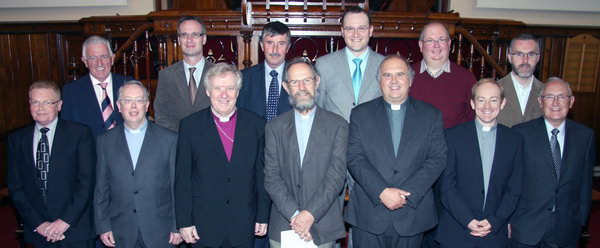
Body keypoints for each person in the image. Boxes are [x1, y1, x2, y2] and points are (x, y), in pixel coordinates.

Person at [345, 55, 446, 248]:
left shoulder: (431, 115)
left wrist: (406, 195)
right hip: (369, 213)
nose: (393, 81)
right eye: (387, 75)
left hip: (412, 214)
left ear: (410, 80)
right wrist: (381, 192)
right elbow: (354, 157)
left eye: (400, 74)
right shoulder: (360, 114)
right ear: (379, 81)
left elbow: (437, 159)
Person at [174, 63, 270, 248]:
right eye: (218, 88)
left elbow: (261, 175)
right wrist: (184, 221)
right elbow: (182, 179)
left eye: (230, 88)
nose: (224, 95)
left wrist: (262, 215)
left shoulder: (256, 125)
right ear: (208, 91)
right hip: (204, 226)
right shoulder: (190, 126)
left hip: (244, 224)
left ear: (238, 91)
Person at [264, 58, 348, 248]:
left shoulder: (338, 125)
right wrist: (295, 215)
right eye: (295, 82)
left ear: (316, 82)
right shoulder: (274, 128)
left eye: (307, 80)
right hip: (285, 223)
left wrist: (310, 214)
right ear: (286, 87)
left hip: (322, 223)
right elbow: (271, 177)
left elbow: (336, 177)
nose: (302, 87)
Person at [436, 78, 523, 248]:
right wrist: (467, 220)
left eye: (493, 100)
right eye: (481, 100)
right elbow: (446, 186)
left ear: (503, 103)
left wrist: (494, 221)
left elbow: (514, 189)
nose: (487, 106)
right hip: (457, 229)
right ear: (472, 103)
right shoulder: (452, 137)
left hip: (494, 232)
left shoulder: (515, 140)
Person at [8, 81, 96, 247]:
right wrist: (39, 224)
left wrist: (64, 222)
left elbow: (87, 183)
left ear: (59, 105)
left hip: (75, 229)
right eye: (35, 102)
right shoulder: (17, 140)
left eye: (47, 102)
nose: (40, 108)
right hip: (40, 232)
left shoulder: (80, 134)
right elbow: (16, 188)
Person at [510, 77, 596, 248]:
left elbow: (585, 184)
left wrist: (581, 221)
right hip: (526, 226)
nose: (556, 102)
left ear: (571, 101)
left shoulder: (585, 136)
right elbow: (511, 182)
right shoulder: (520, 134)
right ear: (540, 101)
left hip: (566, 228)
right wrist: (508, 220)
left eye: (562, 96)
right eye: (549, 97)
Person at [94, 81, 182, 248]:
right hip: (121, 230)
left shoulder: (169, 139)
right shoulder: (105, 141)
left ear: (147, 105)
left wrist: (177, 226)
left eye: (139, 100)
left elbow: (176, 187)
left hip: (161, 231)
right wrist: (103, 226)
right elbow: (101, 188)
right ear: (119, 106)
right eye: (127, 100)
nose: (133, 106)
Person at [316, 6, 385, 122]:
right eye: (350, 29)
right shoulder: (323, 65)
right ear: (342, 31)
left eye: (362, 28)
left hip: (373, 138)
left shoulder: (385, 65)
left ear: (371, 30)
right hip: (335, 138)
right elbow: (318, 110)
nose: (356, 34)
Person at [61, 35, 133, 135]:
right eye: (93, 58)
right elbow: (69, 131)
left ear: (112, 58)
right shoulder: (71, 92)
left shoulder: (130, 85)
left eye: (104, 56)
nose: (99, 63)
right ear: (85, 61)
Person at [409, 22, 476, 129]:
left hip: (453, 144)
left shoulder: (466, 79)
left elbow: (472, 121)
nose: (436, 45)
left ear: (449, 44)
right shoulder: (406, 76)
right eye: (430, 40)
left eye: (441, 39)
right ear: (421, 45)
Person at [154, 16, 214, 132]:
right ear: (179, 39)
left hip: (211, 144)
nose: (189, 39)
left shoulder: (217, 74)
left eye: (195, 34)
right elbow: (162, 116)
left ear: (204, 39)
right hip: (178, 144)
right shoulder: (166, 75)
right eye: (184, 35)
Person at [238, 21, 292, 121]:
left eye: (281, 44)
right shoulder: (244, 78)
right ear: (262, 46)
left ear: (288, 48)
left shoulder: (297, 77)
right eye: (270, 43)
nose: (275, 50)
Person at [497, 34, 543, 127]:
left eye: (531, 54)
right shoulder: (494, 90)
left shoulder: (547, 92)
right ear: (510, 58)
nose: (525, 60)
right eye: (519, 54)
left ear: (538, 58)